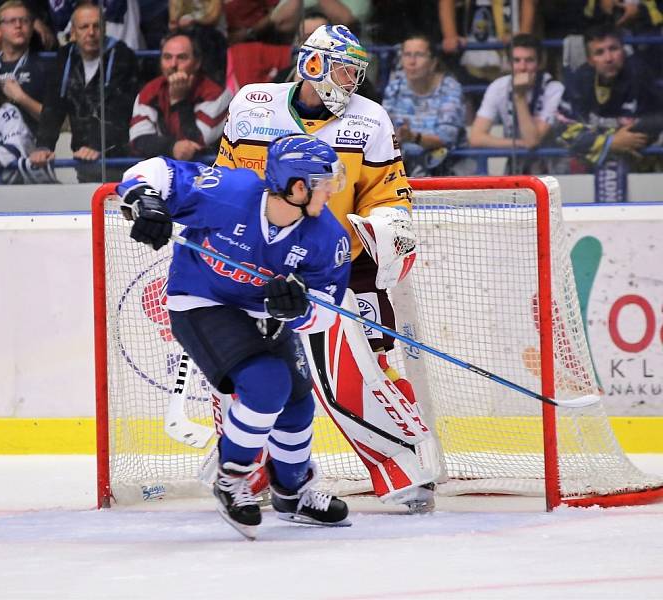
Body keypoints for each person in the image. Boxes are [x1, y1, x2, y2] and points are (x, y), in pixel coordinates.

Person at [215, 24, 438, 512]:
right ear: (312, 65)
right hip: (260, 269)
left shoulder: (371, 119)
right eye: (341, 69)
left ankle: (407, 470)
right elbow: (225, 183)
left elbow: (391, 194)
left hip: (338, 266)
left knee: (367, 369)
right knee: (247, 372)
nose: (350, 81)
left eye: (356, 72)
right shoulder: (252, 105)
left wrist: (380, 228)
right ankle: (247, 474)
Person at [118, 133, 353, 539]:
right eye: (323, 183)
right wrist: (146, 200)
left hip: (260, 312)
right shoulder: (232, 191)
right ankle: (232, 478)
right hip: (200, 302)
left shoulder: (327, 238)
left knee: (298, 402)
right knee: (268, 385)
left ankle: (293, 492)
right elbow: (157, 170)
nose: (331, 191)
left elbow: (325, 316)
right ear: (297, 187)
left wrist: (301, 310)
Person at [30, 3, 138, 183]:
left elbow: (120, 108)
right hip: (83, 157)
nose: (91, 32)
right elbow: (53, 105)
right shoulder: (64, 56)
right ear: (73, 31)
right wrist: (43, 146)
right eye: (84, 27)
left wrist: (96, 146)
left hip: (120, 157)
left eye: (96, 26)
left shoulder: (123, 55)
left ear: (104, 29)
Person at [554, 22, 663, 172]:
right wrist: (610, 142)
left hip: (639, 167)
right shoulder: (579, 80)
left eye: (613, 49)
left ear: (623, 51)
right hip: (590, 168)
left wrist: (593, 138)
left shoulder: (640, 76)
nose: (609, 58)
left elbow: (649, 126)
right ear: (591, 60)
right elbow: (562, 129)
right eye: (599, 52)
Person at [469, 34, 564, 174]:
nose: (522, 67)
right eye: (516, 61)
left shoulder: (554, 89)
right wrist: (518, 144)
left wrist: (519, 96)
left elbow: (532, 141)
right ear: (508, 63)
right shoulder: (498, 87)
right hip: (515, 166)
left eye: (529, 60)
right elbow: (476, 138)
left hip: (551, 169)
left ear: (540, 63)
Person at [129, 29, 231, 160]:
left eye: (182, 57)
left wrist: (179, 101)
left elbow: (197, 142)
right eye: (167, 57)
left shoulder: (216, 94)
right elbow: (139, 140)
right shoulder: (149, 92)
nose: (173, 65)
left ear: (197, 63)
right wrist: (171, 147)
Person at [382, 32, 467, 176]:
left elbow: (446, 139)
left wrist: (412, 137)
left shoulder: (450, 88)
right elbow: (383, 130)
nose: (412, 62)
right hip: (402, 164)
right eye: (407, 54)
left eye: (419, 55)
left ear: (433, 63)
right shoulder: (394, 87)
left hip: (447, 165)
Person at [0, 0, 48, 138]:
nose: (18, 25)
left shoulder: (44, 67)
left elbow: (56, 120)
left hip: (30, 149)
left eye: (24, 21)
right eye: (11, 21)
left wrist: (21, 98)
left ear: (32, 27)